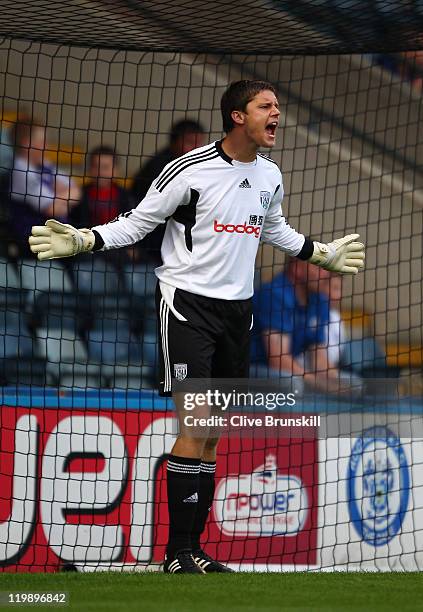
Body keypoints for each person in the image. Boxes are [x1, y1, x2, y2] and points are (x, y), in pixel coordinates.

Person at [28, 80, 365, 574]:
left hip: (238, 312)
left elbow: (273, 228)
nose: (277, 114)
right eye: (265, 107)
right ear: (237, 116)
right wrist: (85, 240)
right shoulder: (189, 170)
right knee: (197, 424)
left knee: (212, 434)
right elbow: (139, 222)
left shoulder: (270, 175)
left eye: (276, 107)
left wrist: (322, 253)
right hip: (187, 305)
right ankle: (178, 553)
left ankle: (192, 551)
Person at [252, 260, 346, 392]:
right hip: (254, 369)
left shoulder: (319, 300)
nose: (326, 274)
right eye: (319, 269)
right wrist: (320, 384)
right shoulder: (275, 294)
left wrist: (336, 381)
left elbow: (318, 356)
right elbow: (278, 360)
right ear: (297, 269)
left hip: (288, 369)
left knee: (352, 382)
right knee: (295, 384)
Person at [131, 119, 206, 264]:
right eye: (190, 142)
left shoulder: (199, 167)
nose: (196, 148)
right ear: (175, 142)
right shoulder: (159, 168)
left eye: (199, 143)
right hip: (152, 242)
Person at [9, 118, 80, 252]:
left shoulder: (45, 164)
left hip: (56, 238)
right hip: (33, 243)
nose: (47, 146)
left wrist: (59, 198)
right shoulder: (21, 172)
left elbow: (76, 192)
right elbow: (53, 209)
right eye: (42, 141)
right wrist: (63, 199)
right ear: (27, 143)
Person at [70, 145, 131, 228]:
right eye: (96, 167)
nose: (100, 172)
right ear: (89, 169)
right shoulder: (78, 195)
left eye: (105, 167)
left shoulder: (127, 198)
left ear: (116, 170)